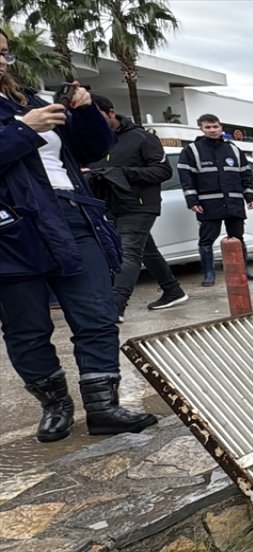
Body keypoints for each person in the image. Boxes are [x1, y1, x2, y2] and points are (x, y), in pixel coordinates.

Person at [0, 28, 157, 442]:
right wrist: (23, 130)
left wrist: (84, 110)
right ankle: (55, 406)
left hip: (72, 215)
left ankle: (104, 407)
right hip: (12, 230)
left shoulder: (28, 99)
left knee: (97, 314)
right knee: (26, 326)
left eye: (3, 53)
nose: (1, 61)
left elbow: (91, 149)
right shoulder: (25, 115)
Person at [87, 95, 186, 320]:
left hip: (140, 205)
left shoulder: (142, 137)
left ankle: (116, 306)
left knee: (127, 252)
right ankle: (173, 290)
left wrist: (122, 172)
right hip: (110, 206)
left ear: (111, 113)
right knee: (147, 250)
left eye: (96, 115)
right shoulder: (94, 140)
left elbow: (163, 172)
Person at [177, 113, 253, 287]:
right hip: (209, 205)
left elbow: (246, 174)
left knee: (237, 238)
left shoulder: (233, 149)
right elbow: (186, 178)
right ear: (201, 129)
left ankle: (243, 270)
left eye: (215, 126)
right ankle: (209, 274)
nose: (212, 130)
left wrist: (250, 196)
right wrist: (192, 201)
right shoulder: (191, 150)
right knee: (207, 240)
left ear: (221, 127)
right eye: (208, 127)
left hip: (233, 203)